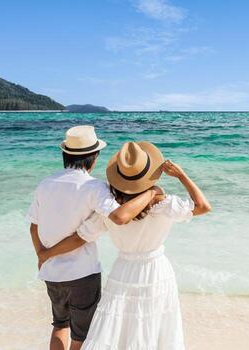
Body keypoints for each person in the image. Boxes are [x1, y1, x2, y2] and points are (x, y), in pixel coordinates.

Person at [39, 141, 211, 350]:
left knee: (119, 327)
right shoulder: (164, 204)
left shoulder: (108, 211)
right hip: (156, 270)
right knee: (154, 325)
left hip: (123, 271)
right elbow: (203, 206)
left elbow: (79, 238)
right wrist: (181, 175)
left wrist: (47, 253)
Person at [27, 126, 162, 350]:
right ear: (94, 157)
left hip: (51, 272)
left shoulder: (45, 184)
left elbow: (34, 226)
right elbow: (119, 218)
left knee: (60, 325)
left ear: (65, 154)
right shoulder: (94, 187)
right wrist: (151, 192)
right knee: (82, 337)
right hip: (82, 274)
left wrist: (41, 254)